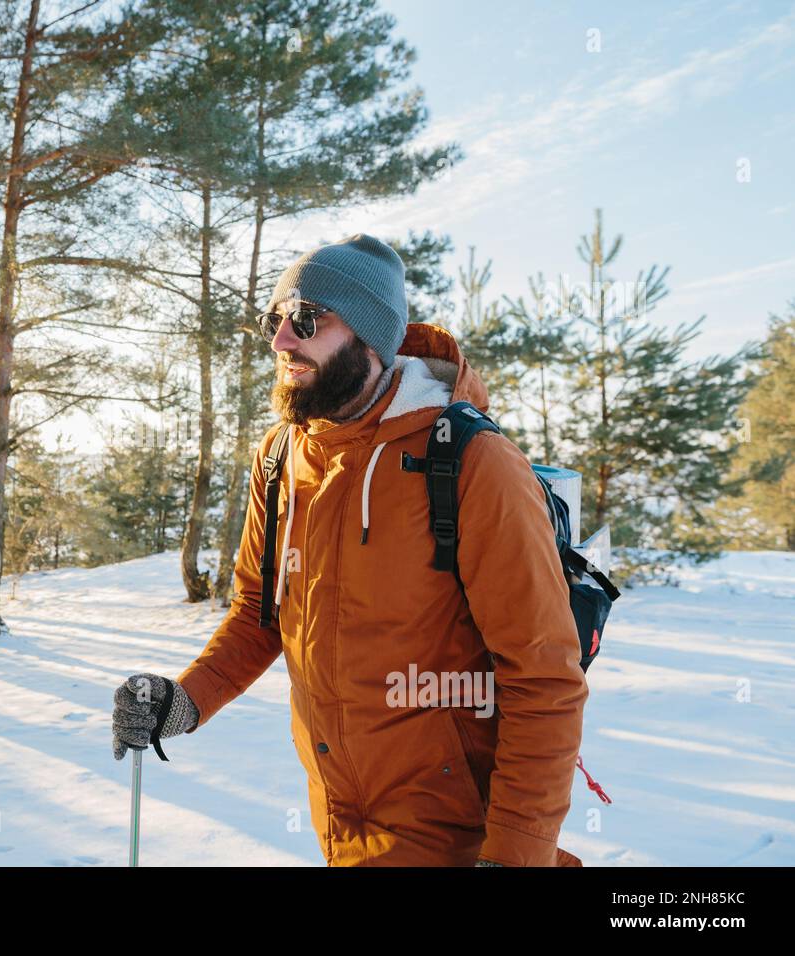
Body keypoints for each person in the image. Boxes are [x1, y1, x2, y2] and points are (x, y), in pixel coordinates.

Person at [111, 233, 588, 867]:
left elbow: (545, 678)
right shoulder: (283, 456)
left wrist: (515, 855)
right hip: (341, 820)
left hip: (461, 837)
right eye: (275, 320)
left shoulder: (473, 462)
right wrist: (188, 699)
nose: (282, 341)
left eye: (306, 319)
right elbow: (261, 611)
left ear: (369, 334)